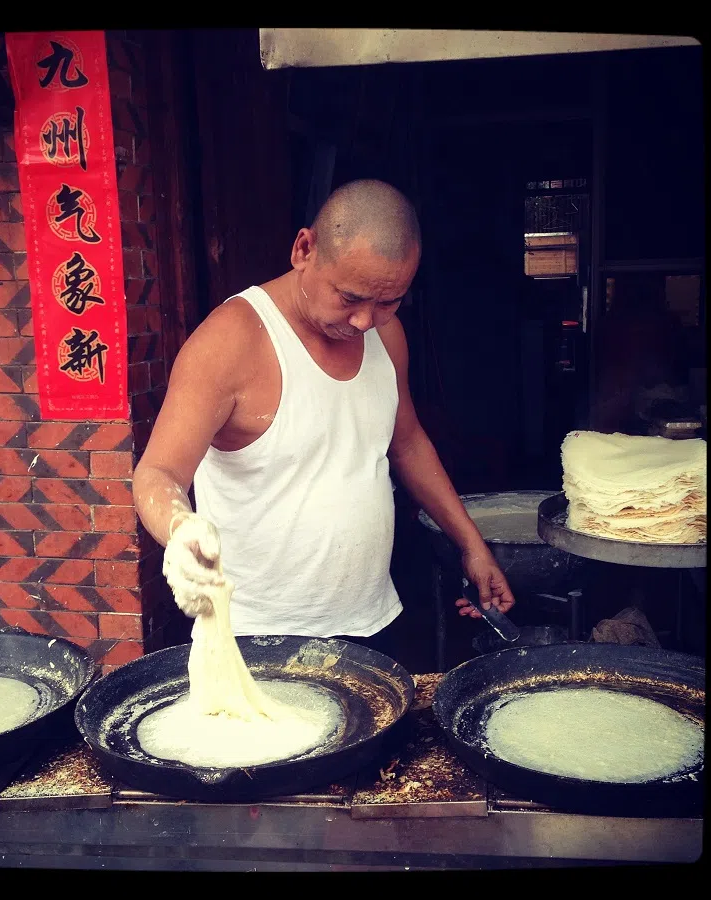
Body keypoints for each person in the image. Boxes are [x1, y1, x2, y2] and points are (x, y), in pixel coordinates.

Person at [131, 179, 515, 656]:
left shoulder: (386, 335)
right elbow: (158, 473)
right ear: (304, 249)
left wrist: (471, 545)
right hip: (257, 636)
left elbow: (408, 442)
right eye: (350, 297)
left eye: (389, 300)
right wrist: (182, 532)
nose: (364, 322)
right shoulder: (230, 342)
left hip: (372, 619)